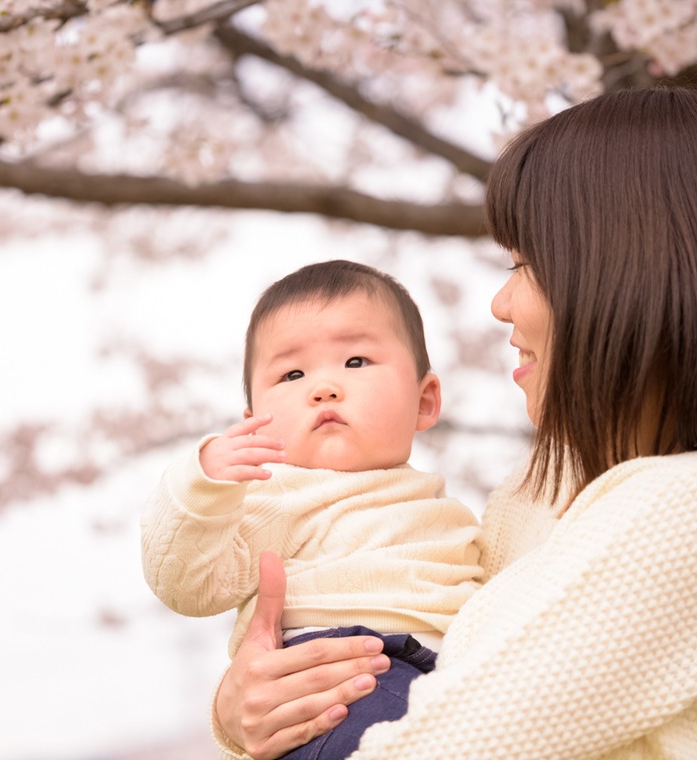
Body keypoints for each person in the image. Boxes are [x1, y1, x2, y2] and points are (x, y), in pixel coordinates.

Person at [210, 85, 697, 760]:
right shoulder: (534, 496)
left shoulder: (691, 514)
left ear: (624, 271)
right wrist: (245, 713)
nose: (500, 304)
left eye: (523, 264)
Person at [141, 259, 484, 758]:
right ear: (256, 422)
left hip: (442, 675)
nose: (323, 388)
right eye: (293, 373)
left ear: (425, 400)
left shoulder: (447, 508)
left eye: (356, 362)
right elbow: (187, 586)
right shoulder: (272, 497)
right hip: (334, 684)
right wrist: (202, 487)